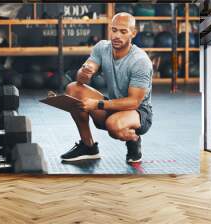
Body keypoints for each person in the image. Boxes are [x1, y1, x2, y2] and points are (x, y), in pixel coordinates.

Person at [61, 12, 153, 163]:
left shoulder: (140, 61)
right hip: (113, 105)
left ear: (133, 33)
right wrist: (85, 72)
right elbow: (83, 75)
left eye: (123, 32)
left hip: (139, 112)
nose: (117, 35)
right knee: (73, 89)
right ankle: (88, 146)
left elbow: (134, 102)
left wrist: (97, 104)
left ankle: (133, 139)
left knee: (113, 125)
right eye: (114, 30)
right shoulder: (102, 48)